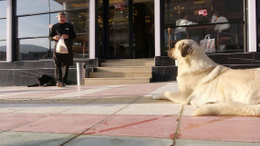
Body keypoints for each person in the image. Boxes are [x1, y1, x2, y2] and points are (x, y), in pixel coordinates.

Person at [49, 12, 77, 87]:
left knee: (66, 65)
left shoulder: (69, 26)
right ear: (58, 18)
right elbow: (49, 37)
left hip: (67, 48)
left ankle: (64, 81)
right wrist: (53, 38)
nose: (62, 18)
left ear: (65, 18)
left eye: (63, 17)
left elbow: (74, 36)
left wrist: (68, 36)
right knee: (57, 65)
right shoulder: (54, 26)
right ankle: (58, 81)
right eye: (60, 17)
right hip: (57, 48)